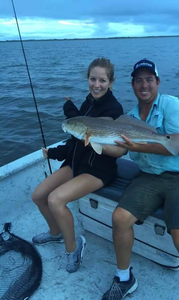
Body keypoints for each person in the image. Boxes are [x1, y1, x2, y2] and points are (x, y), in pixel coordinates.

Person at [102, 59, 179, 300]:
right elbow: (120, 151)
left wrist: (141, 145)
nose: (144, 84)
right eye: (138, 80)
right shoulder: (129, 118)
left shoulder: (172, 105)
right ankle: (124, 278)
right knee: (119, 217)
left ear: (157, 82)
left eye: (149, 79)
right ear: (132, 85)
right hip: (149, 176)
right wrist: (94, 143)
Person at [32, 57, 125, 273]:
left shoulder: (114, 109)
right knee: (38, 195)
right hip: (76, 163)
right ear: (88, 79)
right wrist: (54, 153)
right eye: (93, 79)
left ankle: (73, 248)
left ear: (110, 82)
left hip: (98, 170)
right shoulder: (88, 103)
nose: (97, 85)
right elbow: (76, 140)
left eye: (102, 80)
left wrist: (79, 122)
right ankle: (56, 233)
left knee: (55, 199)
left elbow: (110, 146)